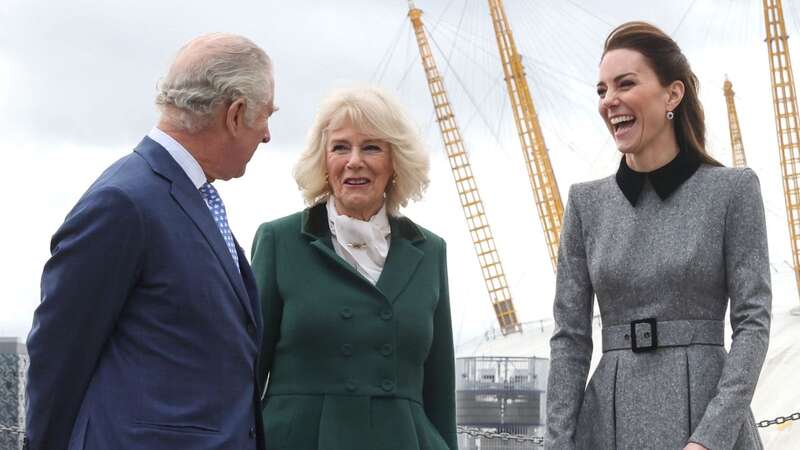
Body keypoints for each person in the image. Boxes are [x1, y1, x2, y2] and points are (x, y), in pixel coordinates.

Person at [25, 33, 276, 450]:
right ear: (234, 115)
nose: (267, 135)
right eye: (266, 115)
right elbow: (59, 355)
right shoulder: (124, 202)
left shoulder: (185, 197)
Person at [545, 22, 770, 450]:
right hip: (607, 425)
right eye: (601, 90)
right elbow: (570, 339)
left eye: (625, 84)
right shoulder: (584, 205)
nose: (609, 100)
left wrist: (710, 439)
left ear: (673, 94)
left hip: (707, 422)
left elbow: (753, 323)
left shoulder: (733, 191)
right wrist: (558, 442)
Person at [250, 85, 457, 450]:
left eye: (372, 147)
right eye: (340, 147)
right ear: (323, 161)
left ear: (396, 162)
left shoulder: (430, 251)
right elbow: (245, 375)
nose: (354, 161)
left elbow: (439, 388)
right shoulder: (279, 241)